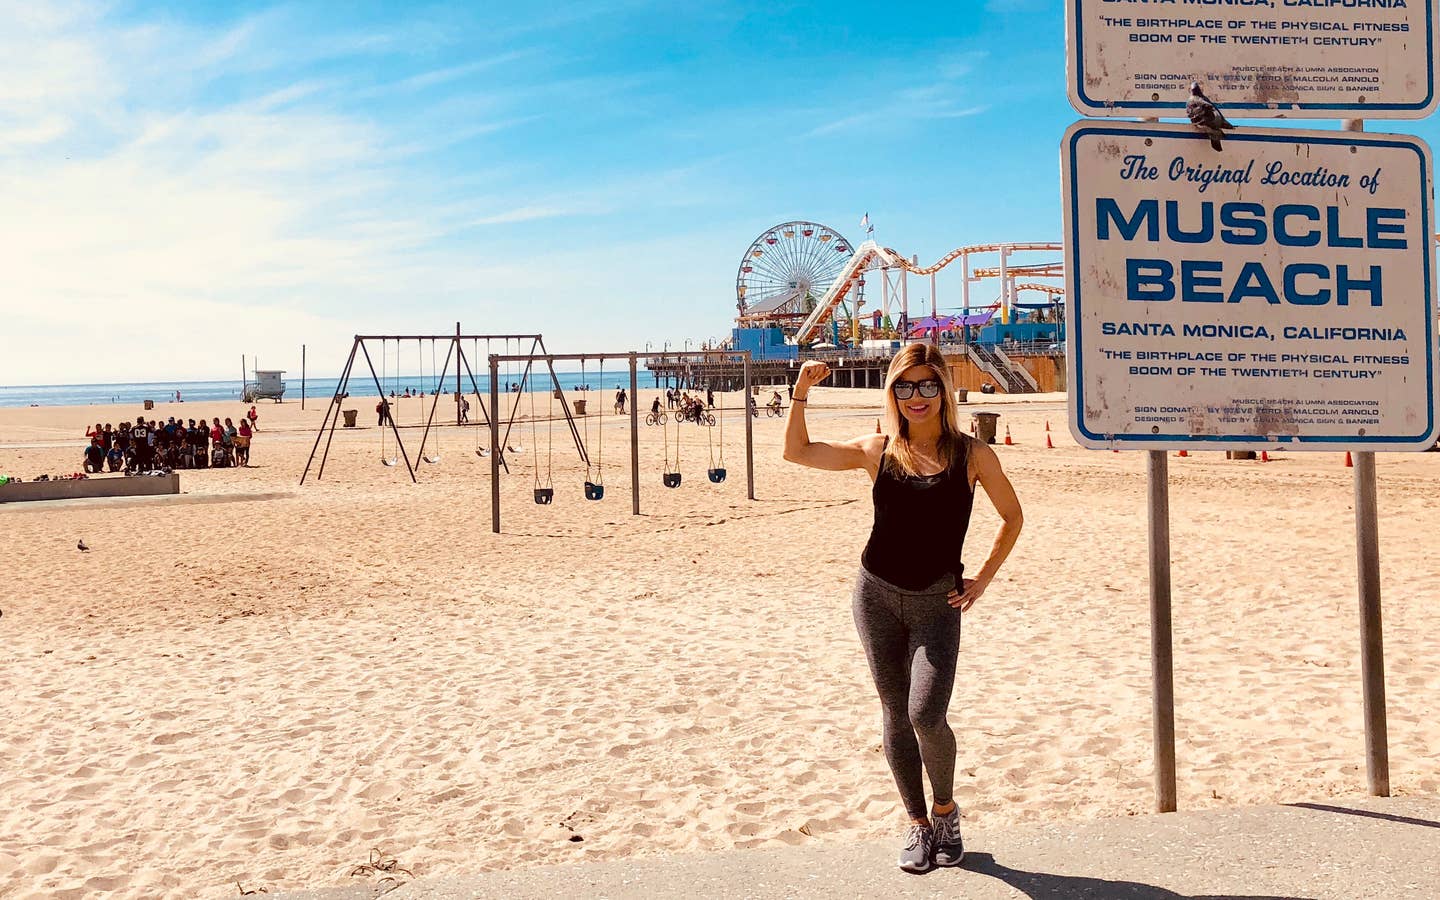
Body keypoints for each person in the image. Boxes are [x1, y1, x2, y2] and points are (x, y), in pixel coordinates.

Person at [781, 344, 1023, 874]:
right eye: (904, 387)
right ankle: (917, 824)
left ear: (943, 389)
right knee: (895, 712)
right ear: (892, 393)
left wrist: (982, 579)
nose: (917, 397)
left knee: (926, 715)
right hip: (875, 597)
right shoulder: (878, 450)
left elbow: (1013, 516)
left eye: (927, 385)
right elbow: (797, 452)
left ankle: (945, 811)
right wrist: (800, 393)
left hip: (938, 602)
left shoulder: (973, 455)